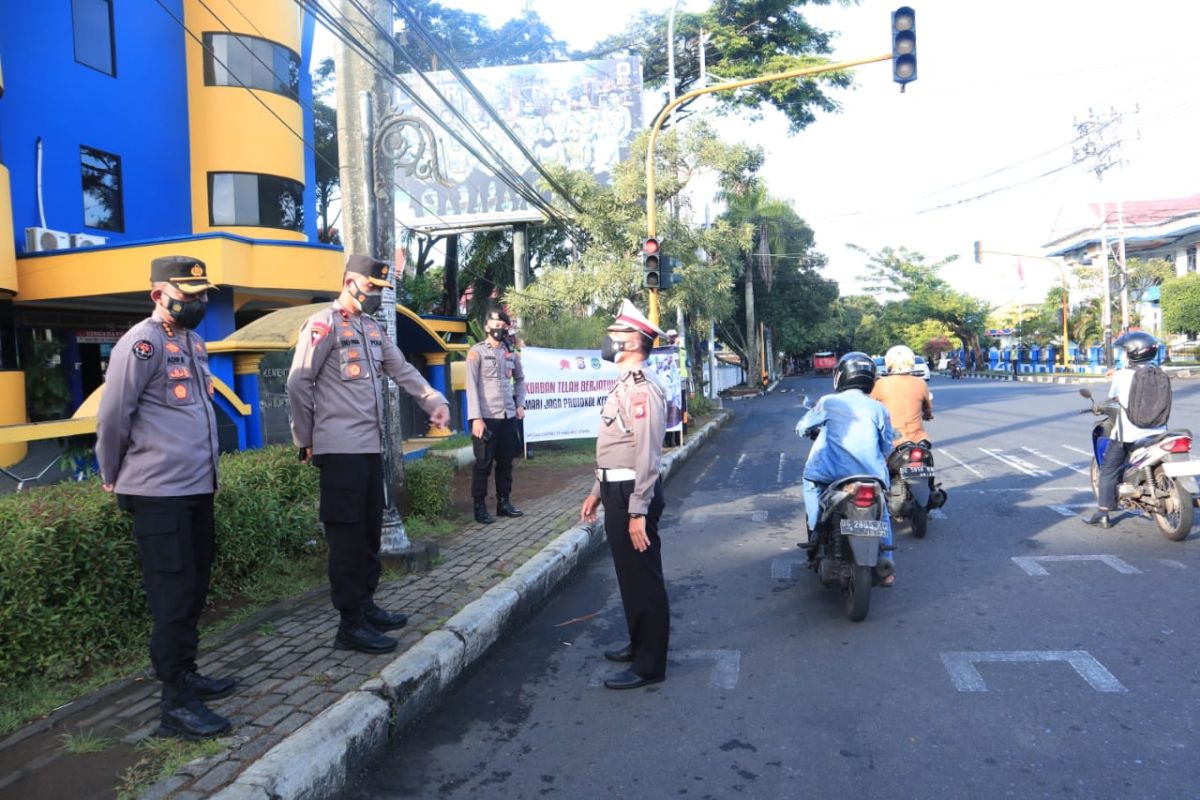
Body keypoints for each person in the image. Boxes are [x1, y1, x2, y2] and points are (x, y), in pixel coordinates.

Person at [96, 255, 234, 739]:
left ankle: (187, 674)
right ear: (159, 294)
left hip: (196, 487)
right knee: (173, 597)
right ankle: (173, 705)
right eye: (188, 295)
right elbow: (114, 416)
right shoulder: (142, 343)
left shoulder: (193, 342)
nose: (197, 303)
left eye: (202, 295)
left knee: (194, 588)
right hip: (158, 492)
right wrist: (112, 474)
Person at [287, 255, 451, 654]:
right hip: (338, 450)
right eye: (372, 287)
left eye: (381, 289)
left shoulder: (372, 329)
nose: (377, 295)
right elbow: (298, 383)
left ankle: (367, 605)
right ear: (349, 282)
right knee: (346, 540)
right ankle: (349, 625)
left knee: (369, 534)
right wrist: (305, 439)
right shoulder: (323, 325)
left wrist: (433, 401)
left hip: (368, 449)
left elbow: (402, 370)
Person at [580, 299, 670, 690]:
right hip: (616, 490)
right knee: (629, 578)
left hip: (634, 493)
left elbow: (647, 454)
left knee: (643, 579)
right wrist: (597, 490)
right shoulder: (622, 386)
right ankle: (638, 645)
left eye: (617, 333)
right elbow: (616, 446)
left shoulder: (642, 392)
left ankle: (650, 665)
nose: (609, 338)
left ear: (634, 342)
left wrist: (638, 511)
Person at [796, 352, 897, 586]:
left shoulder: (829, 402)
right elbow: (886, 445)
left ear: (840, 376)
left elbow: (803, 427)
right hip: (871, 475)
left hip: (830, 473)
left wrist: (805, 429)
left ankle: (814, 534)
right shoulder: (878, 408)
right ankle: (887, 565)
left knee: (810, 484)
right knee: (882, 510)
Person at [1082, 331, 1168, 528]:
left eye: (1124, 352)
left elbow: (1115, 399)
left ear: (1132, 352)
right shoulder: (1160, 373)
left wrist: (1117, 374)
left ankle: (1103, 512)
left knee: (1109, 469)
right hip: (1159, 431)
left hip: (1130, 434)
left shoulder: (1122, 376)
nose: (1123, 355)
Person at [466, 309, 526, 524]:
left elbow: (520, 380)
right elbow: (471, 386)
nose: (497, 329)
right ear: (486, 327)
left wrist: (520, 404)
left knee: (506, 463)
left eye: (502, 325)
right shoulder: (476, 352)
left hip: (508, 415)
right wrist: (476, 418)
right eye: (494, 324)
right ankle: (479, 507)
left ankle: (504, 503)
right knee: (483, 463)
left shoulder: (510, 354)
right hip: (486, 417)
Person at [871, 345, 934, 446]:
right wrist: (928, 415)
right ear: (911, 361)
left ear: (889, 362)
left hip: (892, 439)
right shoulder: (921, 383)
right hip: (917, 439)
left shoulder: (880, 384)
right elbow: (928, 409)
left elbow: (871, 408)